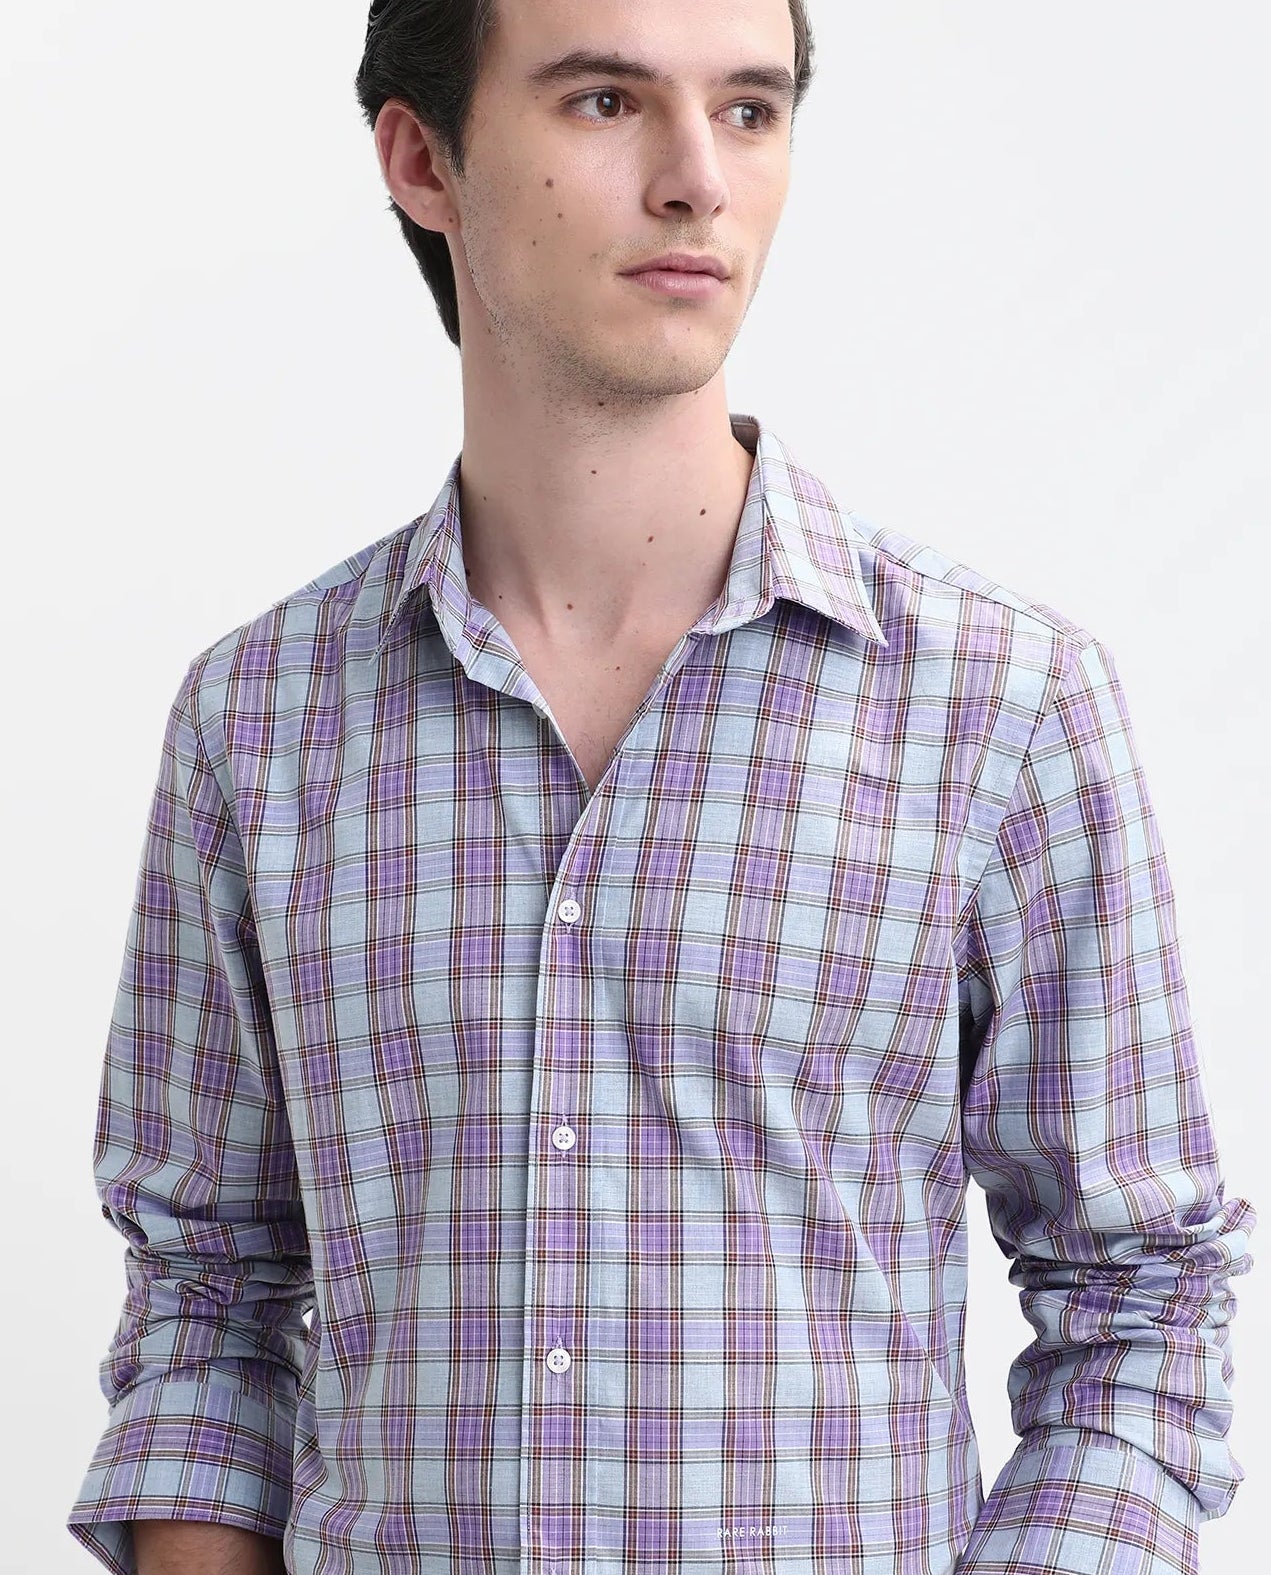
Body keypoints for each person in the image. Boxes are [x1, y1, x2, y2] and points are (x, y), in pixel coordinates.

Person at [66, 4, 1254, 1573]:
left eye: (750, 110)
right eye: (606, 101)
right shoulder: (260, 723)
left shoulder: (1005, 708)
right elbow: (208, 1303)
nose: (697, 176)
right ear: (423, 161)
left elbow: (1143, 1303)